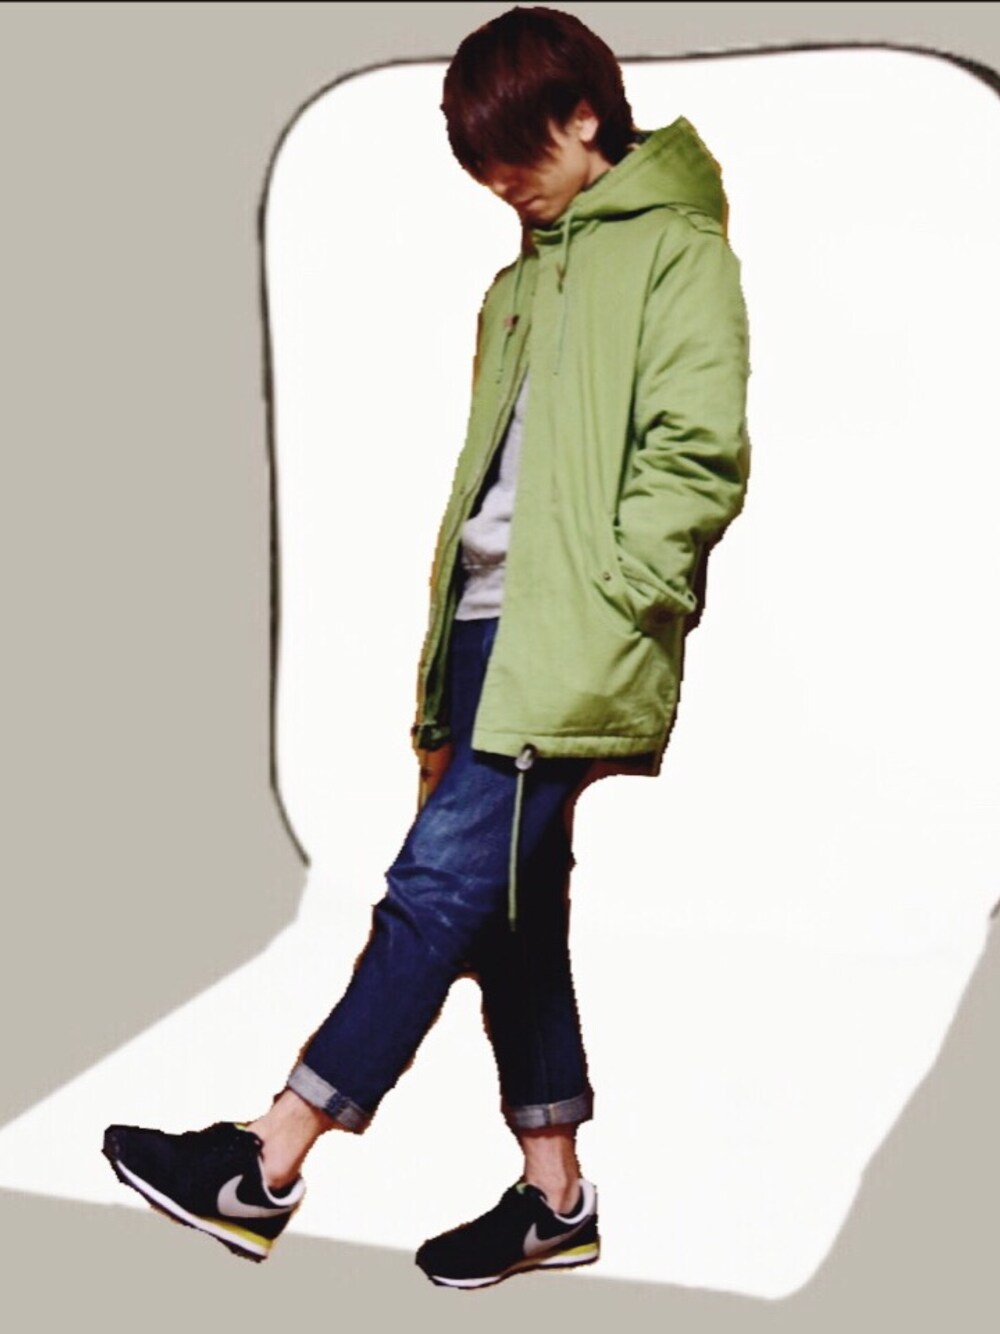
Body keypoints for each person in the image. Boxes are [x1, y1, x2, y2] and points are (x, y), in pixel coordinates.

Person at [102, 5, 750, 1288]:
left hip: (573, 635)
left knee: (435, 889)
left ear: (583, 115)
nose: (500, 183)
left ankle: (265, 1161)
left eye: (516, 152)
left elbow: (697, 451)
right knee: (512, 912)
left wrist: (619, 598)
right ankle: (555, 1200)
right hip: (478, 632)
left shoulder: (676, 251)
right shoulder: (517, 281)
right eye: (480, 164)